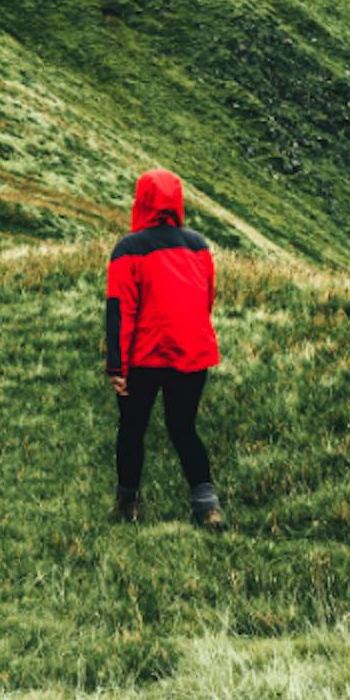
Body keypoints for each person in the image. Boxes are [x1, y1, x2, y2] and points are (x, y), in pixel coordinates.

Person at [104, 168, 223, 528]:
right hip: (191, 352)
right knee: (183, 427)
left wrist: (116, 365)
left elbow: (119, 310)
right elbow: (207, 299)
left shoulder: (129, 248)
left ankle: (128, 504)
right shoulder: (198, 245)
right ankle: (207, 506)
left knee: (132, 428)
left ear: (141, 202)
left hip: (145, 356)